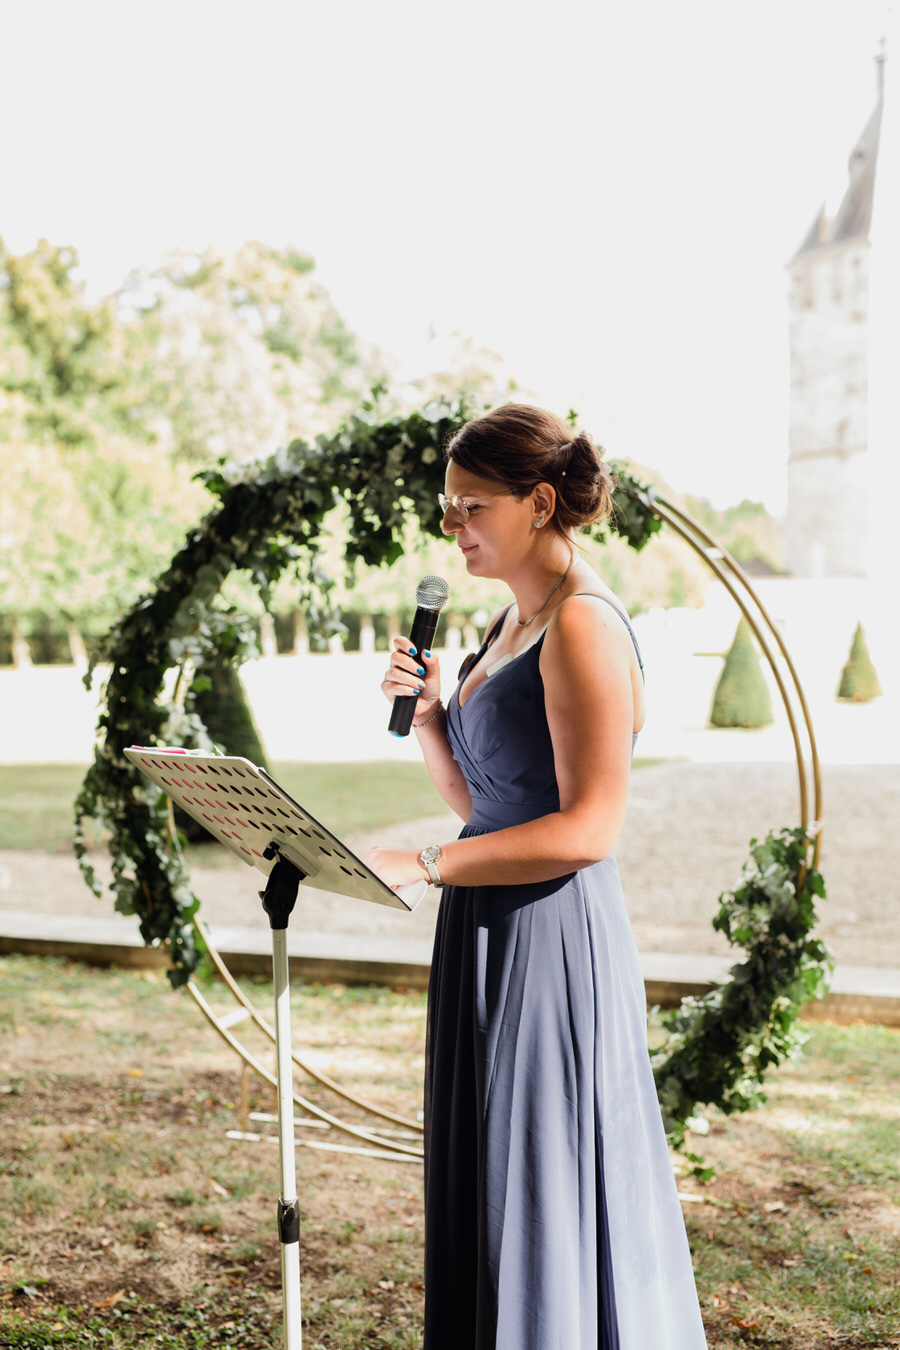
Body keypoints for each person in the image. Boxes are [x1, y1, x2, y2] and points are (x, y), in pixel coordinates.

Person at [364, 405, 707, 1350]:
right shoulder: (511, 617)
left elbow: (589, 828)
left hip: (551, 938)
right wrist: (430, 718)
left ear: (541, 503)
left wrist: (424, 863)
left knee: (540, 1176)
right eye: (447, 506)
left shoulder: (584, 624)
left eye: (471, 506)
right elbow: (484, 802)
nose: (453, 526)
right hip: (482, 924)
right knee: (488, 1173)